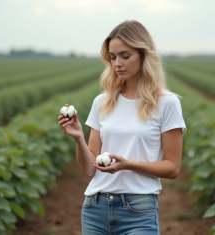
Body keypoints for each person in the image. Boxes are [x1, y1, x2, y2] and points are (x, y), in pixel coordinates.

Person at [58, 20, 187, 235]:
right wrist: (79, 137)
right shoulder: (102, 102)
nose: (117, 63)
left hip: (138, 210)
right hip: (95, 207)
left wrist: (127, 164)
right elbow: (90, 168)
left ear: (144, 55)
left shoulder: (167, 103)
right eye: (112, 57)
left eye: (125, 56)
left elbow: (172, 168)